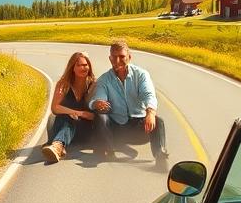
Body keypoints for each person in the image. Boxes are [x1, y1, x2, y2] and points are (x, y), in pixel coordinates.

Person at [89, 39, 168, 167]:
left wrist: (151, 113)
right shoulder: (104, 79)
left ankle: (160, 154)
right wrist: (97, 103)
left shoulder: (141, 75)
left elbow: (148, 95)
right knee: (101, 116)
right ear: (110, 59)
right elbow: (98, 98)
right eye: (114, 57)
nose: (118, 61)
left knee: (159, 121)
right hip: (115, 130)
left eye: (122, 57)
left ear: (129, 57)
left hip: (138, 127)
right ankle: (109, 151)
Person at [41, 51, 97, 163]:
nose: (83, 67)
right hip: (66, 126)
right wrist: (77, 113)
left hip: (84, 130)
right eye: (79, 65)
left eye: (85, 65)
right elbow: (55, 108)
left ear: (89, 67)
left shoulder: (93, 84)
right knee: (66, 116)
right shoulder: (63, 84)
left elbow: (96, 112)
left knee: (69, 117)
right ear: (72, 68)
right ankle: (58, 146)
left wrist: (86, 115)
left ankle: (58, 146)